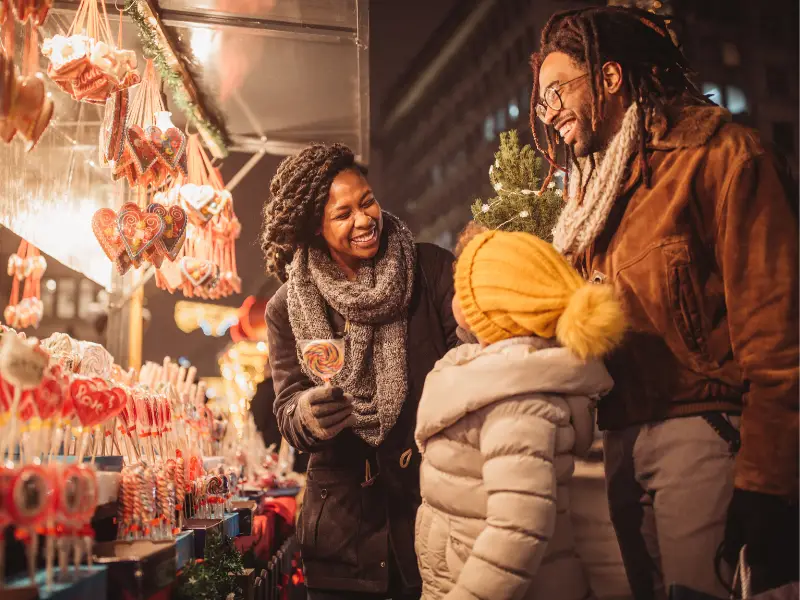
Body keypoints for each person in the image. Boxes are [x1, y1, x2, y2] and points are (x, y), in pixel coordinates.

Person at [530, 7, 798, 598]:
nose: (547, 112)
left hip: (703, 438)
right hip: (624, 438)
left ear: (609, 77)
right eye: (541, 99)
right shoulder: (597, 201)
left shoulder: (722, 157)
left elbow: (778, 339)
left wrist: (767, 482)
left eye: (556, 91)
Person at [261, 142, 458, 600]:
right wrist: (307, 416)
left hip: (429, 518)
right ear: (315, 228)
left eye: (367, 202)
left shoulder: (430, 271)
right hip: (342, 539)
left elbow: (467, 368)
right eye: (343, 214)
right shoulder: (286, 307)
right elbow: (287, 410)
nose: (365, 220)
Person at [414, 230, 625, 600]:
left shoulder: (515, 401)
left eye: (463, 286)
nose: (454, 297)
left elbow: (516, 531)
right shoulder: (499, 378)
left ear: (495, 307)